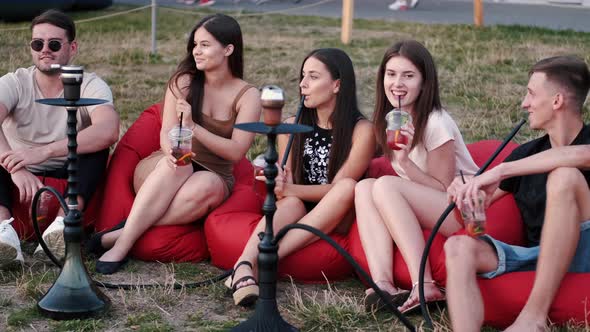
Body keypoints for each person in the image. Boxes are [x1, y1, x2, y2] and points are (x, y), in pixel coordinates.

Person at [88, 13, 261, 275]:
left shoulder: (248, 95)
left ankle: (121, 232)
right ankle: (122, 245)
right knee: (180, 165)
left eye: (204, 45)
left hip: (213, 176)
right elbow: (167, 132)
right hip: (163, 166)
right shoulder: (183, 81)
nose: (196, 51)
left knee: (209, 184)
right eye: (194, 45)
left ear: (228, 49)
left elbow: (237, 152)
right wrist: (172, 153)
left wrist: (195, 129)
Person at [445, 55, 590, 331]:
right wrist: (468, 200)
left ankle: (533, 318)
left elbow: (581, 155)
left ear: (557, 101)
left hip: (586, 251)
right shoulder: (526, 154)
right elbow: (475, 226)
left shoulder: (522, 163)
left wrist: (502, 170)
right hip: (539, 255)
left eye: (531, 94)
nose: (525, 103)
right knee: (458, 247)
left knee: (564, 177)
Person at [226, 48, 375, 307]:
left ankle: (267, 261)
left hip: (338, 212)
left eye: (313, 77)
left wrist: (290, 190)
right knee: (291, 203)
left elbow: (337, 189)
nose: (302, 84)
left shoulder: (362, 130)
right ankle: (243, 265)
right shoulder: (291, 125)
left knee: (347, 187)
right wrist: (282, 183)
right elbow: (288, 184)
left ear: (337, 85)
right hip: (297, 205)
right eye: (303, 76)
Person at [356, 40, 478, 314]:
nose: (397, 83)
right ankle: (383, 284)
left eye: (408, 76)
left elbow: (444, 189)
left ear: (424, 83)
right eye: (391, 74)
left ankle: (424, 285)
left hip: (464, 208)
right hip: (429, 201)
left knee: (386, 185)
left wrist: (403, 162)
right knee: (364, 187)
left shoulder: (436, 122)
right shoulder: (393, 118)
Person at [0, 9, 119, 267]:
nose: (45, 50)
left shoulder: (89, 83)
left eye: (54, 44)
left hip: (67, 171)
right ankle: (4, 231)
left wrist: (44, 151)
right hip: (16, 173)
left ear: (72, 47)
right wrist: (15, 167)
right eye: (37, 43)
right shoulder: (15, 82)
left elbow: (108, 129)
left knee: (96, 148)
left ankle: (64, 222)